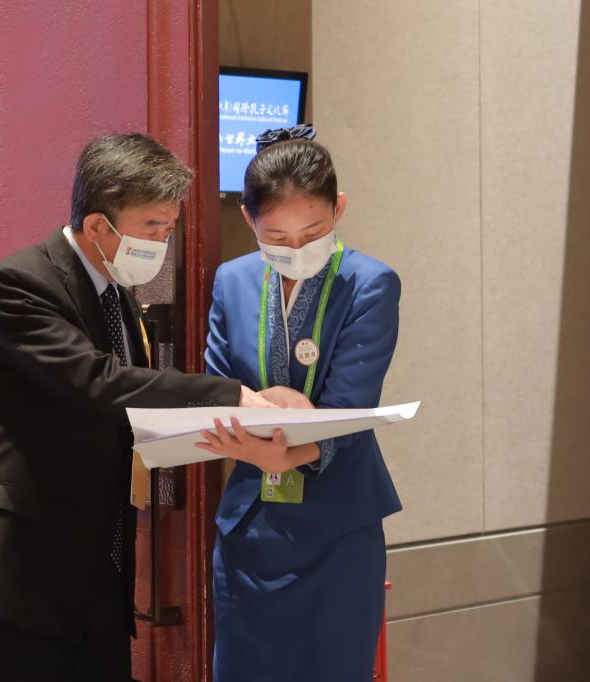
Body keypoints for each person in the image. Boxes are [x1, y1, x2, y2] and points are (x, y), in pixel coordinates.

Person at [0, 132, 273, 682]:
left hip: (98, 578)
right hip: (21, 578)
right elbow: (99, 384)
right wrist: (228, 394)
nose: (163, 240)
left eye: (169, 226)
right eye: (152, 226)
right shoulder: (21, 284)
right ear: (99, 225)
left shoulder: (116, 290)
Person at [197, 124, 403, 682]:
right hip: (250, 525)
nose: (296, 250)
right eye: (277, 237)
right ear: (248, 220)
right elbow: (218, 385)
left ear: (339, 209)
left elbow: (350, 406)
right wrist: (271, 411)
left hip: (338, 526)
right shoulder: (232, 281)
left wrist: (288, 447)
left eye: (313, 232)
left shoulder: (370, 284)